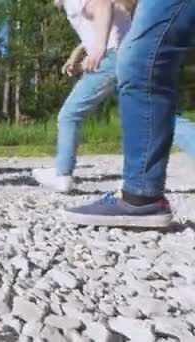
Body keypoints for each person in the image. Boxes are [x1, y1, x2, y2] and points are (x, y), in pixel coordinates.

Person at [64, 0, 195, 228]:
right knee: (142, 78)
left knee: (139, 63)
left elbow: (104, 4)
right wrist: (80, 49)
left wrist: (98, 48)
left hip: (113, 52)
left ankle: (141, 198)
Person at [32, 0, 133, 192]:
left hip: (111, 58)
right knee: (161, 116)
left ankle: (62, 175)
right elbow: (105, 19)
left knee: (69, 115)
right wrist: (77, 52)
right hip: (132, 55)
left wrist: (99, 49)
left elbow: (103, 6)